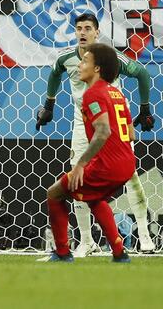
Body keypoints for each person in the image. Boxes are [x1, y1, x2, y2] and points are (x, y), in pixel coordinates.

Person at [35, 13, 155, 255]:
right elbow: (55, 74)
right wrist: (49, 104)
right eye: (78, 28)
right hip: (82, 122)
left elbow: (141, 73)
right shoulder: (67, 58)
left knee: (129, 176)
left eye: (87, 28)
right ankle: (87, 241)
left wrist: (144, 109)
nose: (82, 32)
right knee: (77, 178)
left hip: (111, 120)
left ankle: (144, 236)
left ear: (97, 32)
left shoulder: (109, 59)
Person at [42, 44, 135, 263]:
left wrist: (81, 164)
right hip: (127, 163)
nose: (80, 65)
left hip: (108, 165)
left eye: (85, 61)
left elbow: (103, 131)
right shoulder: (116, 93)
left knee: (54, 194)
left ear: (97, 69)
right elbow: (130, 134)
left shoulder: (93, 93)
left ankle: (63, 253)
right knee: (95, 198)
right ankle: (119, 252)